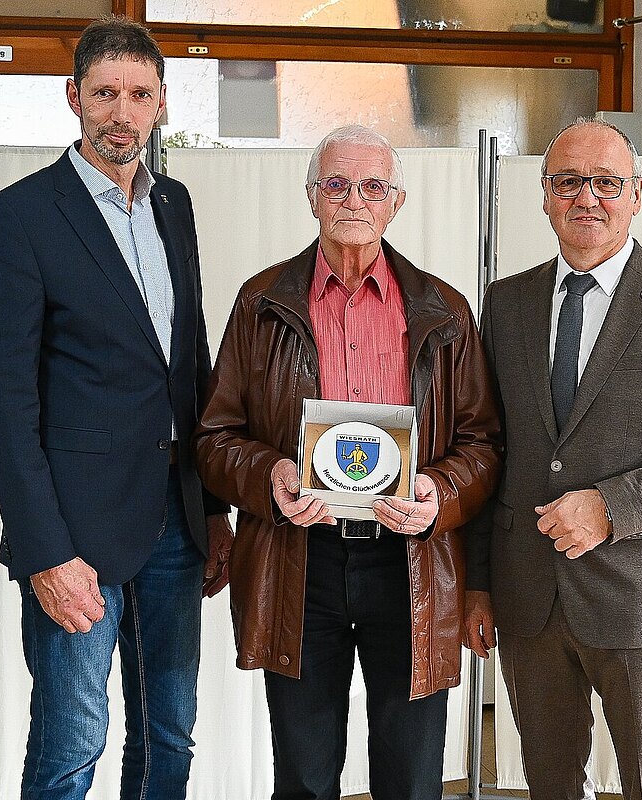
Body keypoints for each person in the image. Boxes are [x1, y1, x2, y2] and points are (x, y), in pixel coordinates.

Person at [195, 125, 501, 800]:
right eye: (336, 184)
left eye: (372, 186)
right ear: (311, 197)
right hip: (299, 561)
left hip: (410, 564)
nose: (354, 199)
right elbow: (214, 438)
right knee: (303, 780)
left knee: (412, 780)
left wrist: (437, 489)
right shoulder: (261, 304)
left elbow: (482, 445)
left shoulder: (445, 311)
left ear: (396, 202)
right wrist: (271, 476)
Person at [0, 15, 233, 800]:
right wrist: (44, 553)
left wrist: (212, 509)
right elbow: (4, 404)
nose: (123, 113)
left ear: (162, 103)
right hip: (75, 534)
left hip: (176, 522)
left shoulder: (175, 205)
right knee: (72, 746)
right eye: (105, 93)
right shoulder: (20, 216)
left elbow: (190, 364)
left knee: (169, 734)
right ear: (73, 97)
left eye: (140, 95)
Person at [463, 119, 642, 800]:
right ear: (544, 195)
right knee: (551, 784)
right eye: (568, 181)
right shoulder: (506, 303)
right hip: (528, 593)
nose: (586, 197)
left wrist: (611, 507)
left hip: (639, 594)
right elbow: (487, 449)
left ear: (636, 194)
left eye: (606, 182)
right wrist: (477, 582)